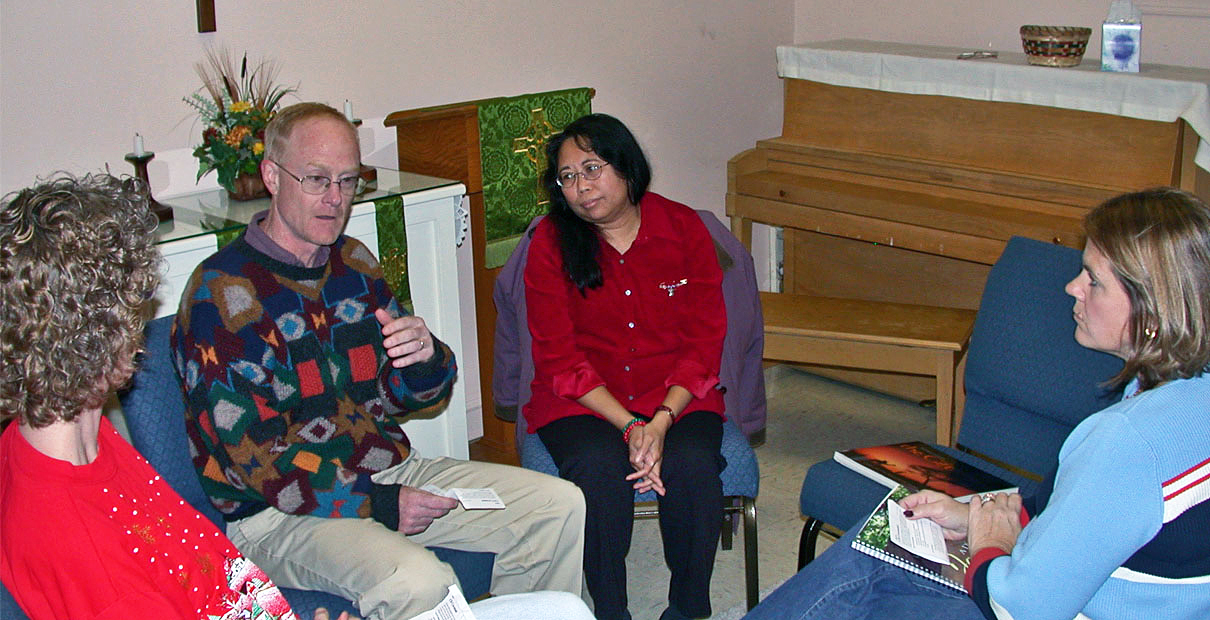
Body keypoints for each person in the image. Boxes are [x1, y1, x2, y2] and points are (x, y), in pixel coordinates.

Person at [171, 102, 588, 620]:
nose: (335, 199)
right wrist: (378, 502)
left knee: (559, 506)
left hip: (384, 469)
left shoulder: (354, 263)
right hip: (279, 512)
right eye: (317, 179)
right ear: (272, 176)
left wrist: (425, 360)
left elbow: (401, 394)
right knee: (420, 582)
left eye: (348, 181)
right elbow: (254, 458)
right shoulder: (220, 295)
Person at [742, 187, 1210, 620]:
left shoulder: (1125, 441)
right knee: (893, 533)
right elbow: (1096, 512)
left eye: (1094, 280)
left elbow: (1019, 608)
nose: (1073, 288)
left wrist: (991, 542)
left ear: (1151, 308)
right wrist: (973, 514)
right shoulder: (1181, 395)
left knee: (872, 569)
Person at [0, 172, 344, 619]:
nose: (139, 329)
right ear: (100, 337)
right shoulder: (89, 556)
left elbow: (201, 566)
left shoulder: (66, 444)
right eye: (132, 311)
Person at [523, 113, 728, 620]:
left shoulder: (684, 229)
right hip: (582, 400)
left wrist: (659, 421)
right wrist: (633, 426)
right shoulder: (550, 243)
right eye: (567, 177)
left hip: (677, 393)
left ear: (627, 167)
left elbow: (704, 342)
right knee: (596, 470)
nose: (580, 187)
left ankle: (687, 610)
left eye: (591, 168)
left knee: (695, 467)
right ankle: (611, 611)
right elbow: (559, 358)